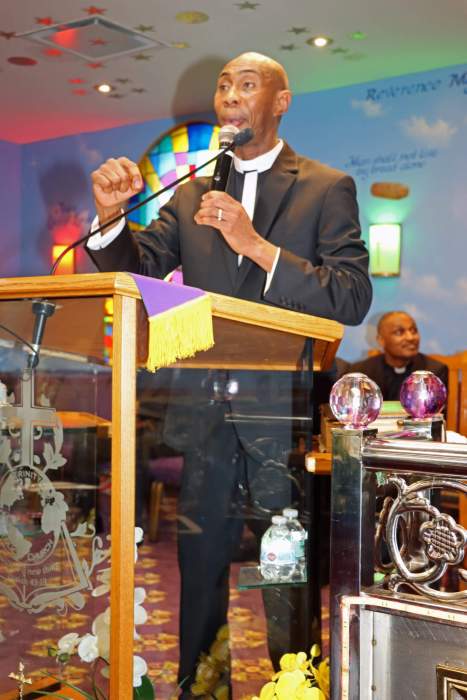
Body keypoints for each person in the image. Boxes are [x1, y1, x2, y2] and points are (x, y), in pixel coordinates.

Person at [86, 52, 372, 697]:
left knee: (284, 570)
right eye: (223, 87)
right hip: (204, 411)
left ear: (280, 102)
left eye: (247, 85)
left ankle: (293, 686)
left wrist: (256, 246)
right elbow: (142, 266)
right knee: (201, 563)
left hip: (282, 412)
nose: (230, 97)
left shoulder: (326, 187)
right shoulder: (189, 194)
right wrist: (109, 218)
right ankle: (201, 686)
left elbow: (351, 296)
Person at [348, 311, 448, 399]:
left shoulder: (434, 372)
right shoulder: (362, 372)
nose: (410, 337)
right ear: (381, 340)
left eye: (413, 331)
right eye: (399, 332)